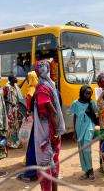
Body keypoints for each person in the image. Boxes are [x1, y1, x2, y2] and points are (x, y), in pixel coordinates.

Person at [33, 60, 66, 191]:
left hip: (46, 131)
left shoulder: (42, 88)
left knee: (44, 164)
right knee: (54, 162)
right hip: (53, 129)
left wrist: (56, 130)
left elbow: (51, 110)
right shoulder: (51, 84)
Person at [70, 85, 98, 181]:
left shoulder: (92, 103)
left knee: (86, 149)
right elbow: (75, 117)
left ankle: (91, 170)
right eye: (86, 93)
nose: (88, 95)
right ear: (82, 93)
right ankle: (86, 171)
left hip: (89, 127)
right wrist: (74, 131)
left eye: (90, 93)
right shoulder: (75, 103)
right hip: (79, 128)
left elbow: (96, 114)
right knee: (82, 150)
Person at [17, 71, 39, 182]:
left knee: (31, 144)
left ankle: (30, 171)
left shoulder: (30, 91)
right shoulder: (40, 87)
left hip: (32, 120)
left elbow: (29, 108)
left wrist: (27, 113)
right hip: (38, 121)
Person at [4, 75, 25, 148]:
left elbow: (19, 88)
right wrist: (10, 103)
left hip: (15, 110)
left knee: (16, 126)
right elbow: (3, 98)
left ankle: (14, 143)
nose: (16, 79)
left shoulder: (15, 86)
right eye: (15, 78)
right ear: (11, 80)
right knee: (10, 126)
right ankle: (9, 143)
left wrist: (25, 80)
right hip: (10, 110)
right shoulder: (6, 87)